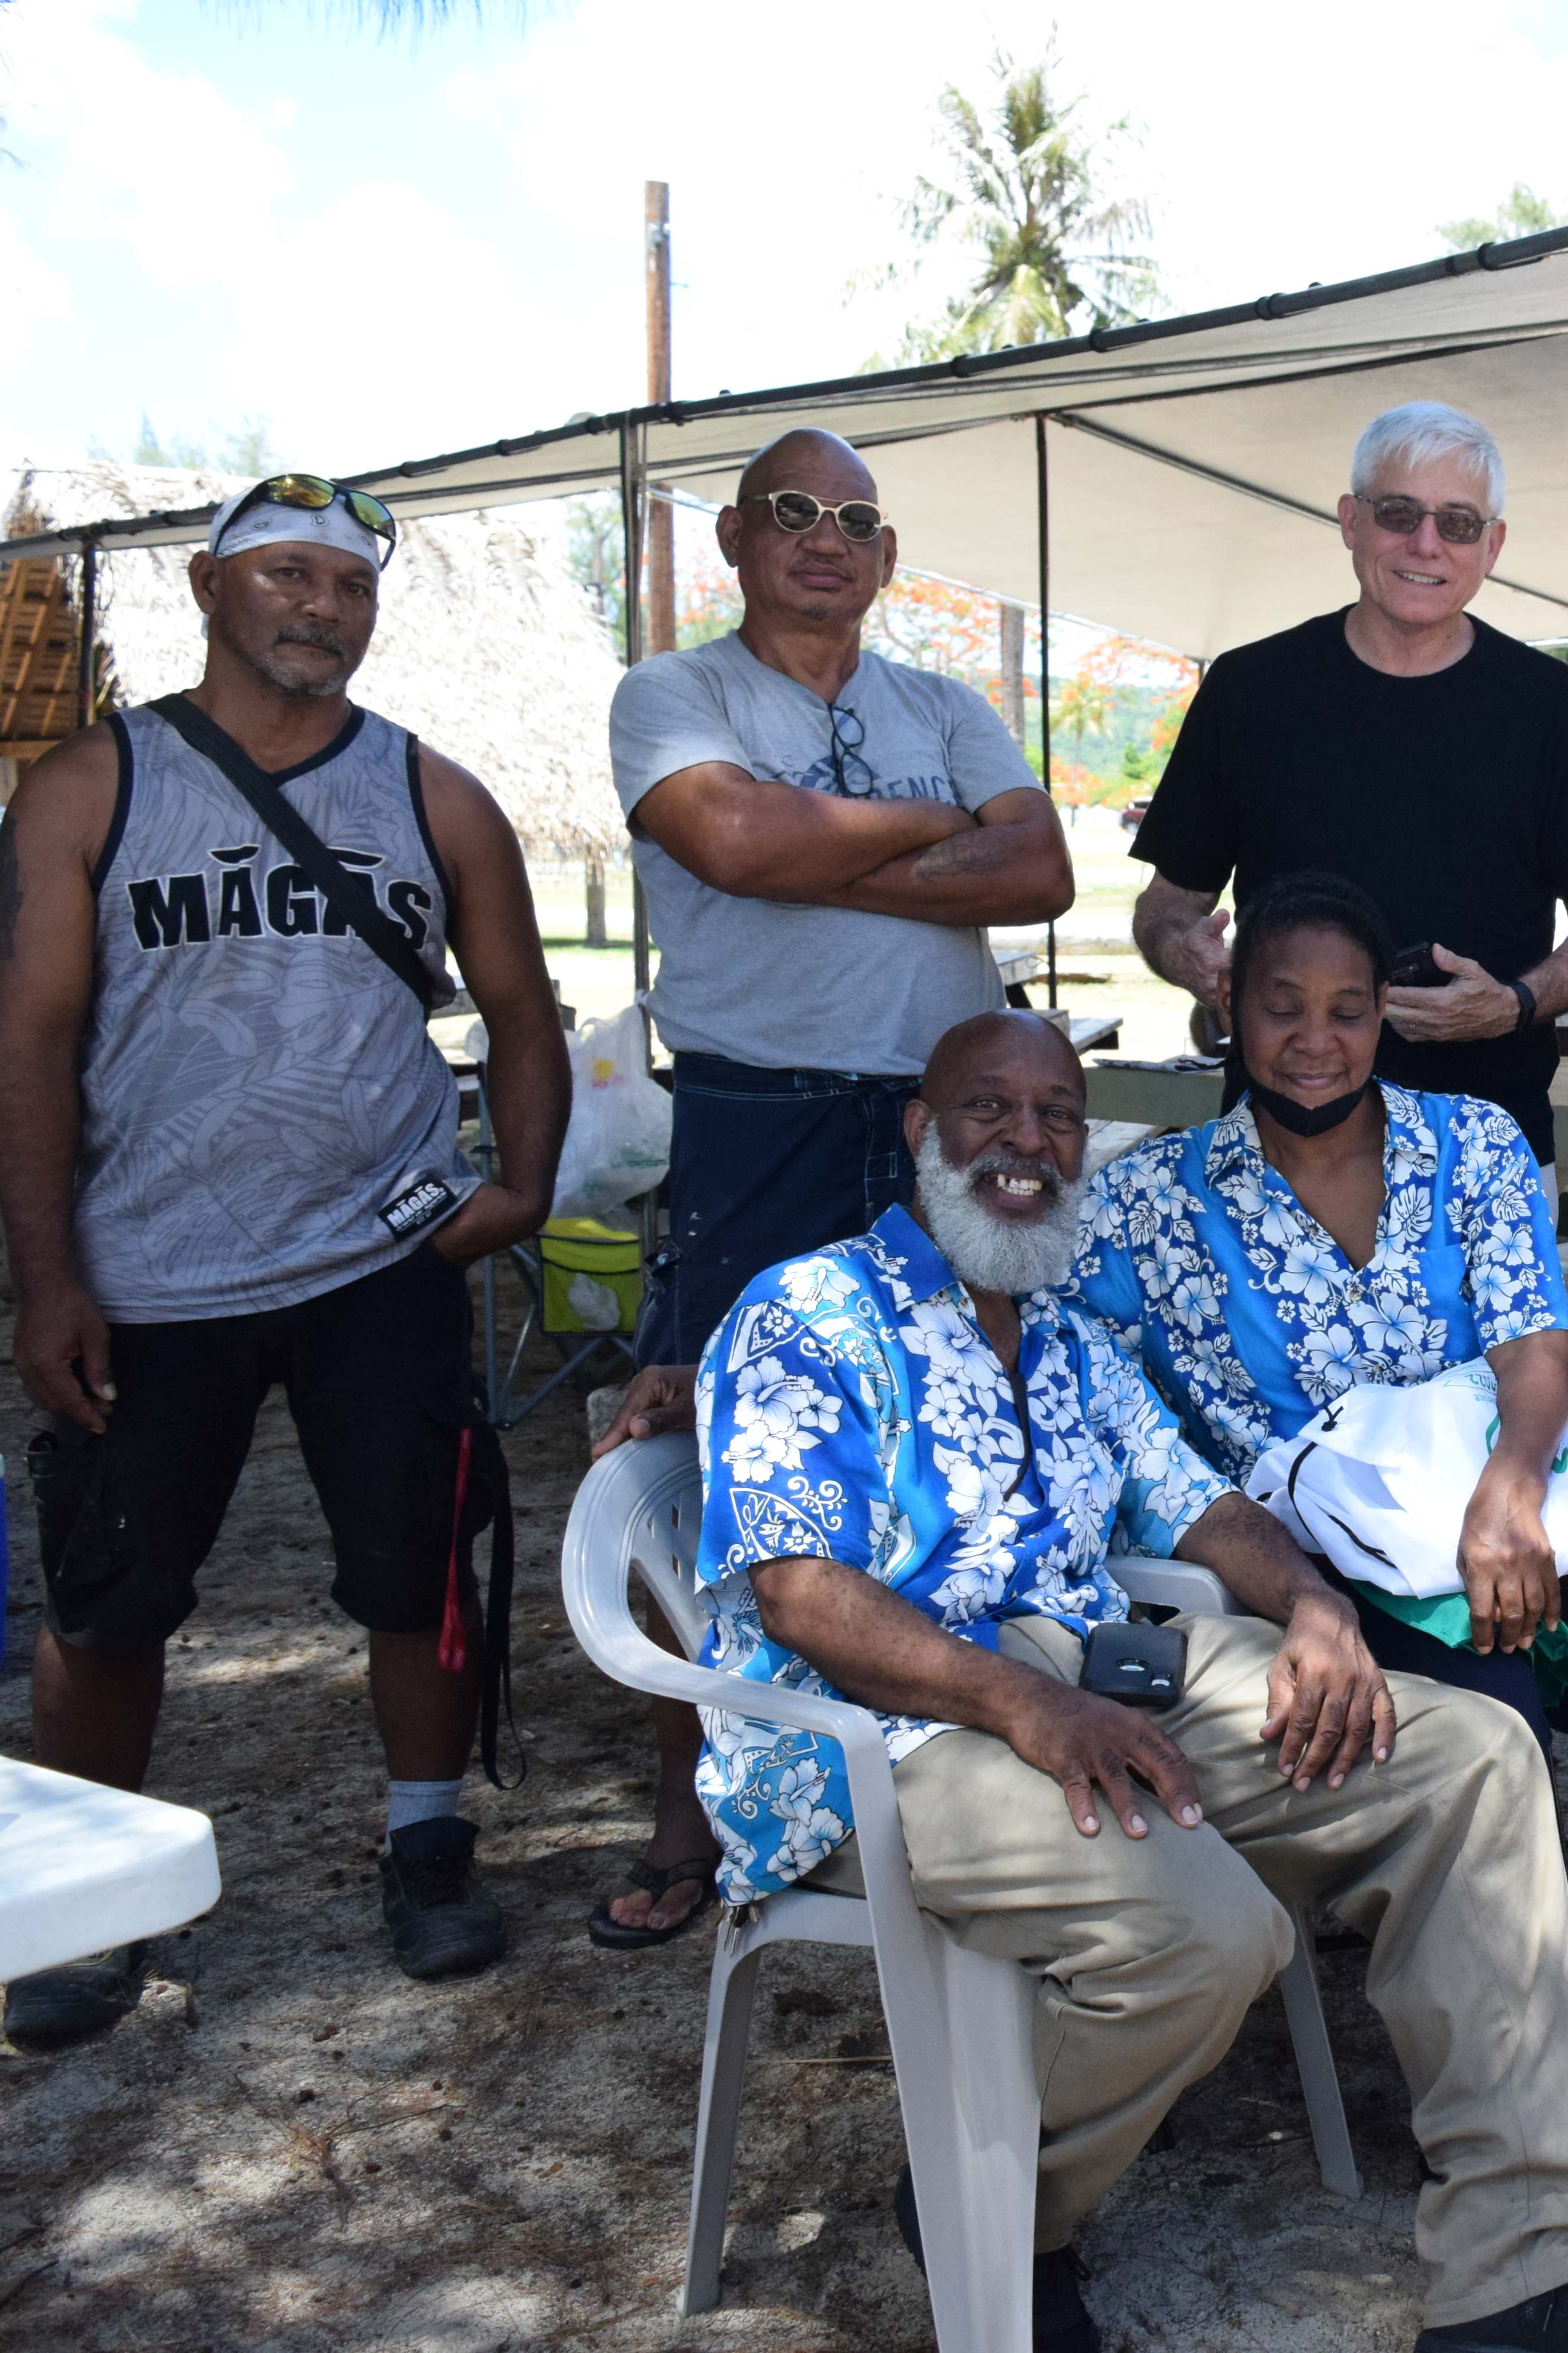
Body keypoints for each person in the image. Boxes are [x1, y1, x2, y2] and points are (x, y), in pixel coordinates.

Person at [688, 1009, 1568, 2353]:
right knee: (1212, 1930)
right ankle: (991, 2202)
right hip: (889, 1736)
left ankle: (1527, 2271)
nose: (1025, 1143)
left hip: (1103, 1671)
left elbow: (1197, 1503)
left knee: (1474, 1758)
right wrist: (1027, 1701)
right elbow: (803, 1593)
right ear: (921, 1129)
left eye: (1056, 1116)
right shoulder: (808, 1309)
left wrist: (1319, 1606)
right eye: (989, 1109)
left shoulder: (1064, 1335)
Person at [1066, 874, 1568, 2136]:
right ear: (1228, 1012)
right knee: (1496, 1709)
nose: (1315, 1038)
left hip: (1512, 1514)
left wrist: (1511, 1492)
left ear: (1382, 1020)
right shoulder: (1144, 1203)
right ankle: (1508, 2044)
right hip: (1328, 1573)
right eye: (1282, 1006)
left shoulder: (1470, 1143)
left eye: (1348, 1009)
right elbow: (1068, 1377)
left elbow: (1535, 1337)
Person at [0, 472, 569, 2041]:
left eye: (350, 586)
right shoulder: (92, 786)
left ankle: (427, 1846)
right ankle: (89, 1905)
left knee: (420, 1572)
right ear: (208, 586)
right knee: (109, 1598)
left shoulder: (435, 797)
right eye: (290, 577)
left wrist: (518, 1185)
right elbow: (28, 1040)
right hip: (149, 1273)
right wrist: (48, 1278)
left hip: (381, 1258)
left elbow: (523, 1010)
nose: (322, 608)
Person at [588, 426, 1077, 1947]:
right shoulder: (674, 694)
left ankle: (955, 1747)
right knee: (710, 1436)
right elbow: (728, 836)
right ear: (736, 541)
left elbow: (1046, 870)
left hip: (947, 1122)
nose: (824, 537)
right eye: (791, 513)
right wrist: (943, 831)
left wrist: (816, 853)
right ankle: (698, 1806)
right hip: (763, 1121)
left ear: (884, 555)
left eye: (855, 519)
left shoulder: (942, 701)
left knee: (962, 1418)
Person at [1129, 401, 1568, 1174]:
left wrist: (1514, 1004)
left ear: (1494, 545)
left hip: (1480, 1154)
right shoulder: (1250, 690)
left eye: (1459, 523)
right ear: (1350, 520)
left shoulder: (1549, 707)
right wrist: (1186, 957)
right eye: (1399, 513)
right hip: (1279, 1146)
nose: (1427, 543)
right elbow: (1166, 906)